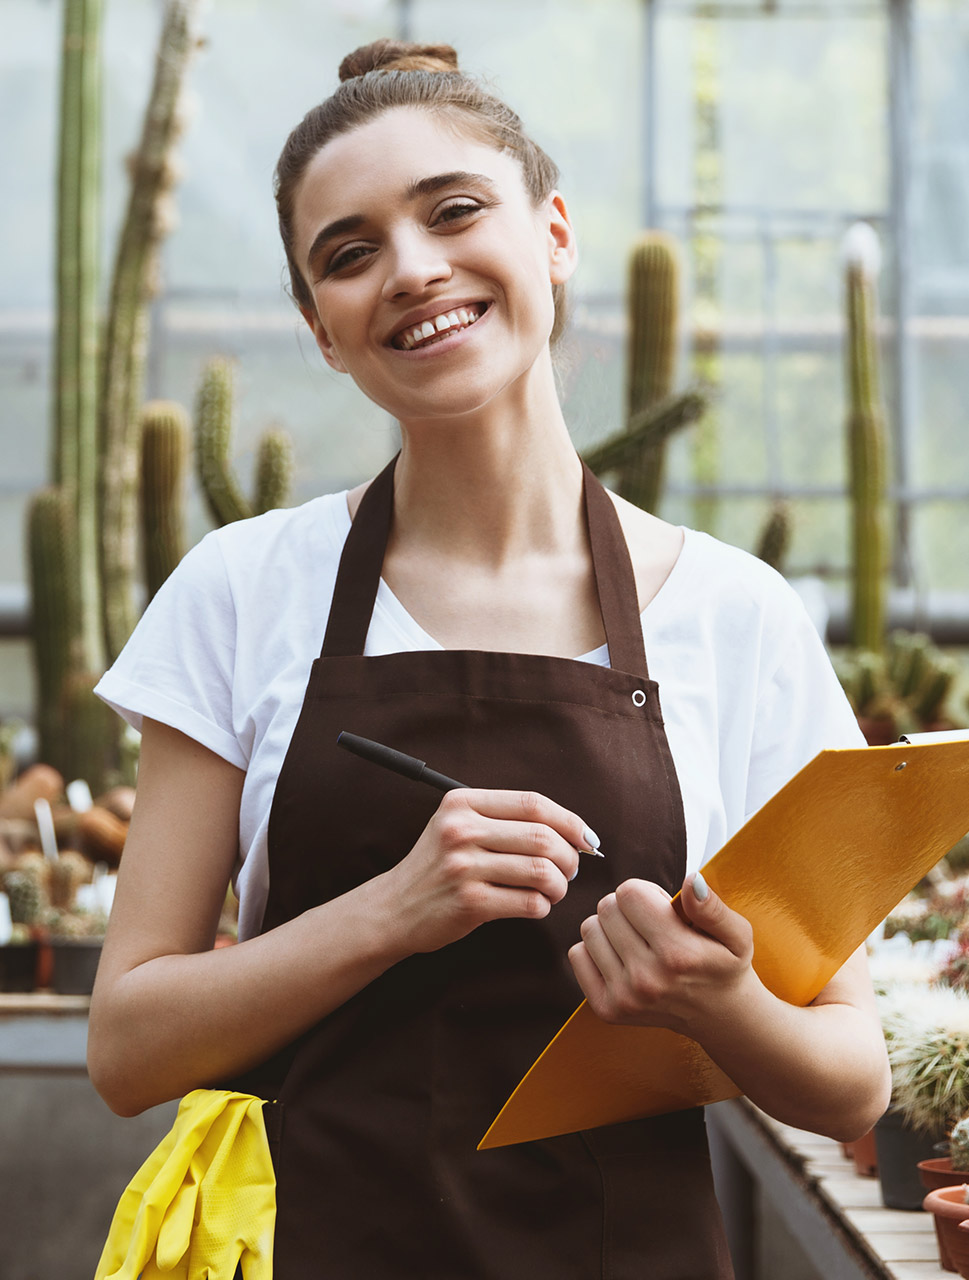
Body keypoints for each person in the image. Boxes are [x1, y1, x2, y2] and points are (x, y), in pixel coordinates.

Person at [89, 38, 891, 1279]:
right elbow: (127, 1046)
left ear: (554, 233)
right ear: (322, 328)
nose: (411, 270)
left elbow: (853, 1082)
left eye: (453, 211)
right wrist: (391, 912)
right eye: (347, 254)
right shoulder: (245, 589)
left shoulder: (738, 616)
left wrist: (716, 1002)